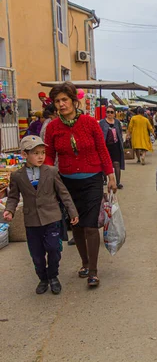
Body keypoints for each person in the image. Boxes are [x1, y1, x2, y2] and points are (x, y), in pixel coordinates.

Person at [44, 81, 117, 287]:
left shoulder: (89, 123)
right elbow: (49, 155)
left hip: (92, 180)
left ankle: (93, 271)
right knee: (75, 224)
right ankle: (84, 263)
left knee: (90, 225)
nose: (61, 104)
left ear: (74, 101)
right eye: (57, 101)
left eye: (65, 100)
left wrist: (110, 175)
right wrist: (48, 177)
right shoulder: (53, 128)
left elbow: (103, 150)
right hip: (66, 182)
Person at [4, 135, 79, 295]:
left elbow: (63, 193)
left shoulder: (51, 171)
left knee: (53, 249)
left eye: (42, 152)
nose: (40, 156)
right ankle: (43, 278)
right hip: (32, 221)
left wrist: (72, 211)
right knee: (37, 255)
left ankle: (53, 276)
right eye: (36, 153)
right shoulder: (17, 176)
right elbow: (13, 196)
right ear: (24, 155)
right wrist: (9, 210)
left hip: (52, 218)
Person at [99, 105, 125, 189]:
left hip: (116, 146)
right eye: (108, 112)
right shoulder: (102, 123)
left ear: (114, 113)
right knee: (105, 163)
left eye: (111, 112)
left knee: (116, 163)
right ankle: (105, 179)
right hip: (105, 146)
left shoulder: (117, 122)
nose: (109, 114)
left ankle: (118, 182)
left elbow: (120, 133)